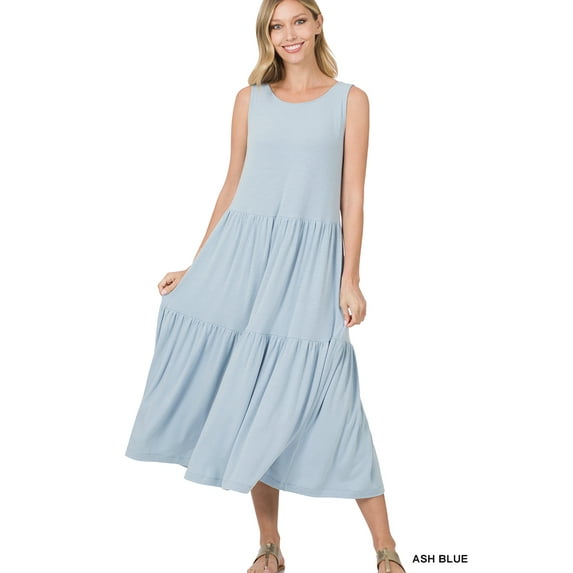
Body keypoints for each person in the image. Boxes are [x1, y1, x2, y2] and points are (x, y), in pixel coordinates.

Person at [125, 1, 405, 572]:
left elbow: (352, 195)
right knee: (255, 398)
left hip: (309, 268)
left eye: (299, 21)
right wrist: (199, 265)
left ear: (318, 23)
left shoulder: (350, 100)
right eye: (276, 26)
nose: (288, 34)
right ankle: (269, 545)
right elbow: (233, 183)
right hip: (244, 261)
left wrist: (351, 279)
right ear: (267, 35)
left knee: (336, 398)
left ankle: (387, 548)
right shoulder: (248, 99)